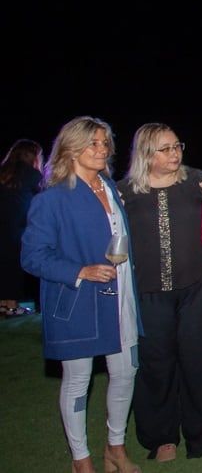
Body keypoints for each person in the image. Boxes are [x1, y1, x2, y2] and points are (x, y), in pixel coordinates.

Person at [21, 116, 142, 473]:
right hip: (77, 301)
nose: (102, 149)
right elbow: (32, 256)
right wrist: (80, 271)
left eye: (105, 143)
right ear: (71, 149)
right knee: (77, 380)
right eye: (93, 143)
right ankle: (81, 459)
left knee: (126, 372)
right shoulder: (53, 199)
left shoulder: (110, 188)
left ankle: (115, 448)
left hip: (121, 294)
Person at [118, 123, 202, 462]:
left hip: (197, 288)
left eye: (177, 146)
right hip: (149, 291)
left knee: (197, 359)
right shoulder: (124, 192)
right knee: (156, 363)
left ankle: (199, 432)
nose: (174, 153)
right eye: (165, 148)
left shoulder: (197, 182)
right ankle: (162, 437)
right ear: (146, 153)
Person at [0, 139, 43, 316]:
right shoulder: (32, 175)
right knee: (14, 266)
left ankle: (3, 304)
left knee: (3, 265)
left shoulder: (4, 172)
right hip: (17, 227)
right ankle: (11, 306)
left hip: (4, 226)